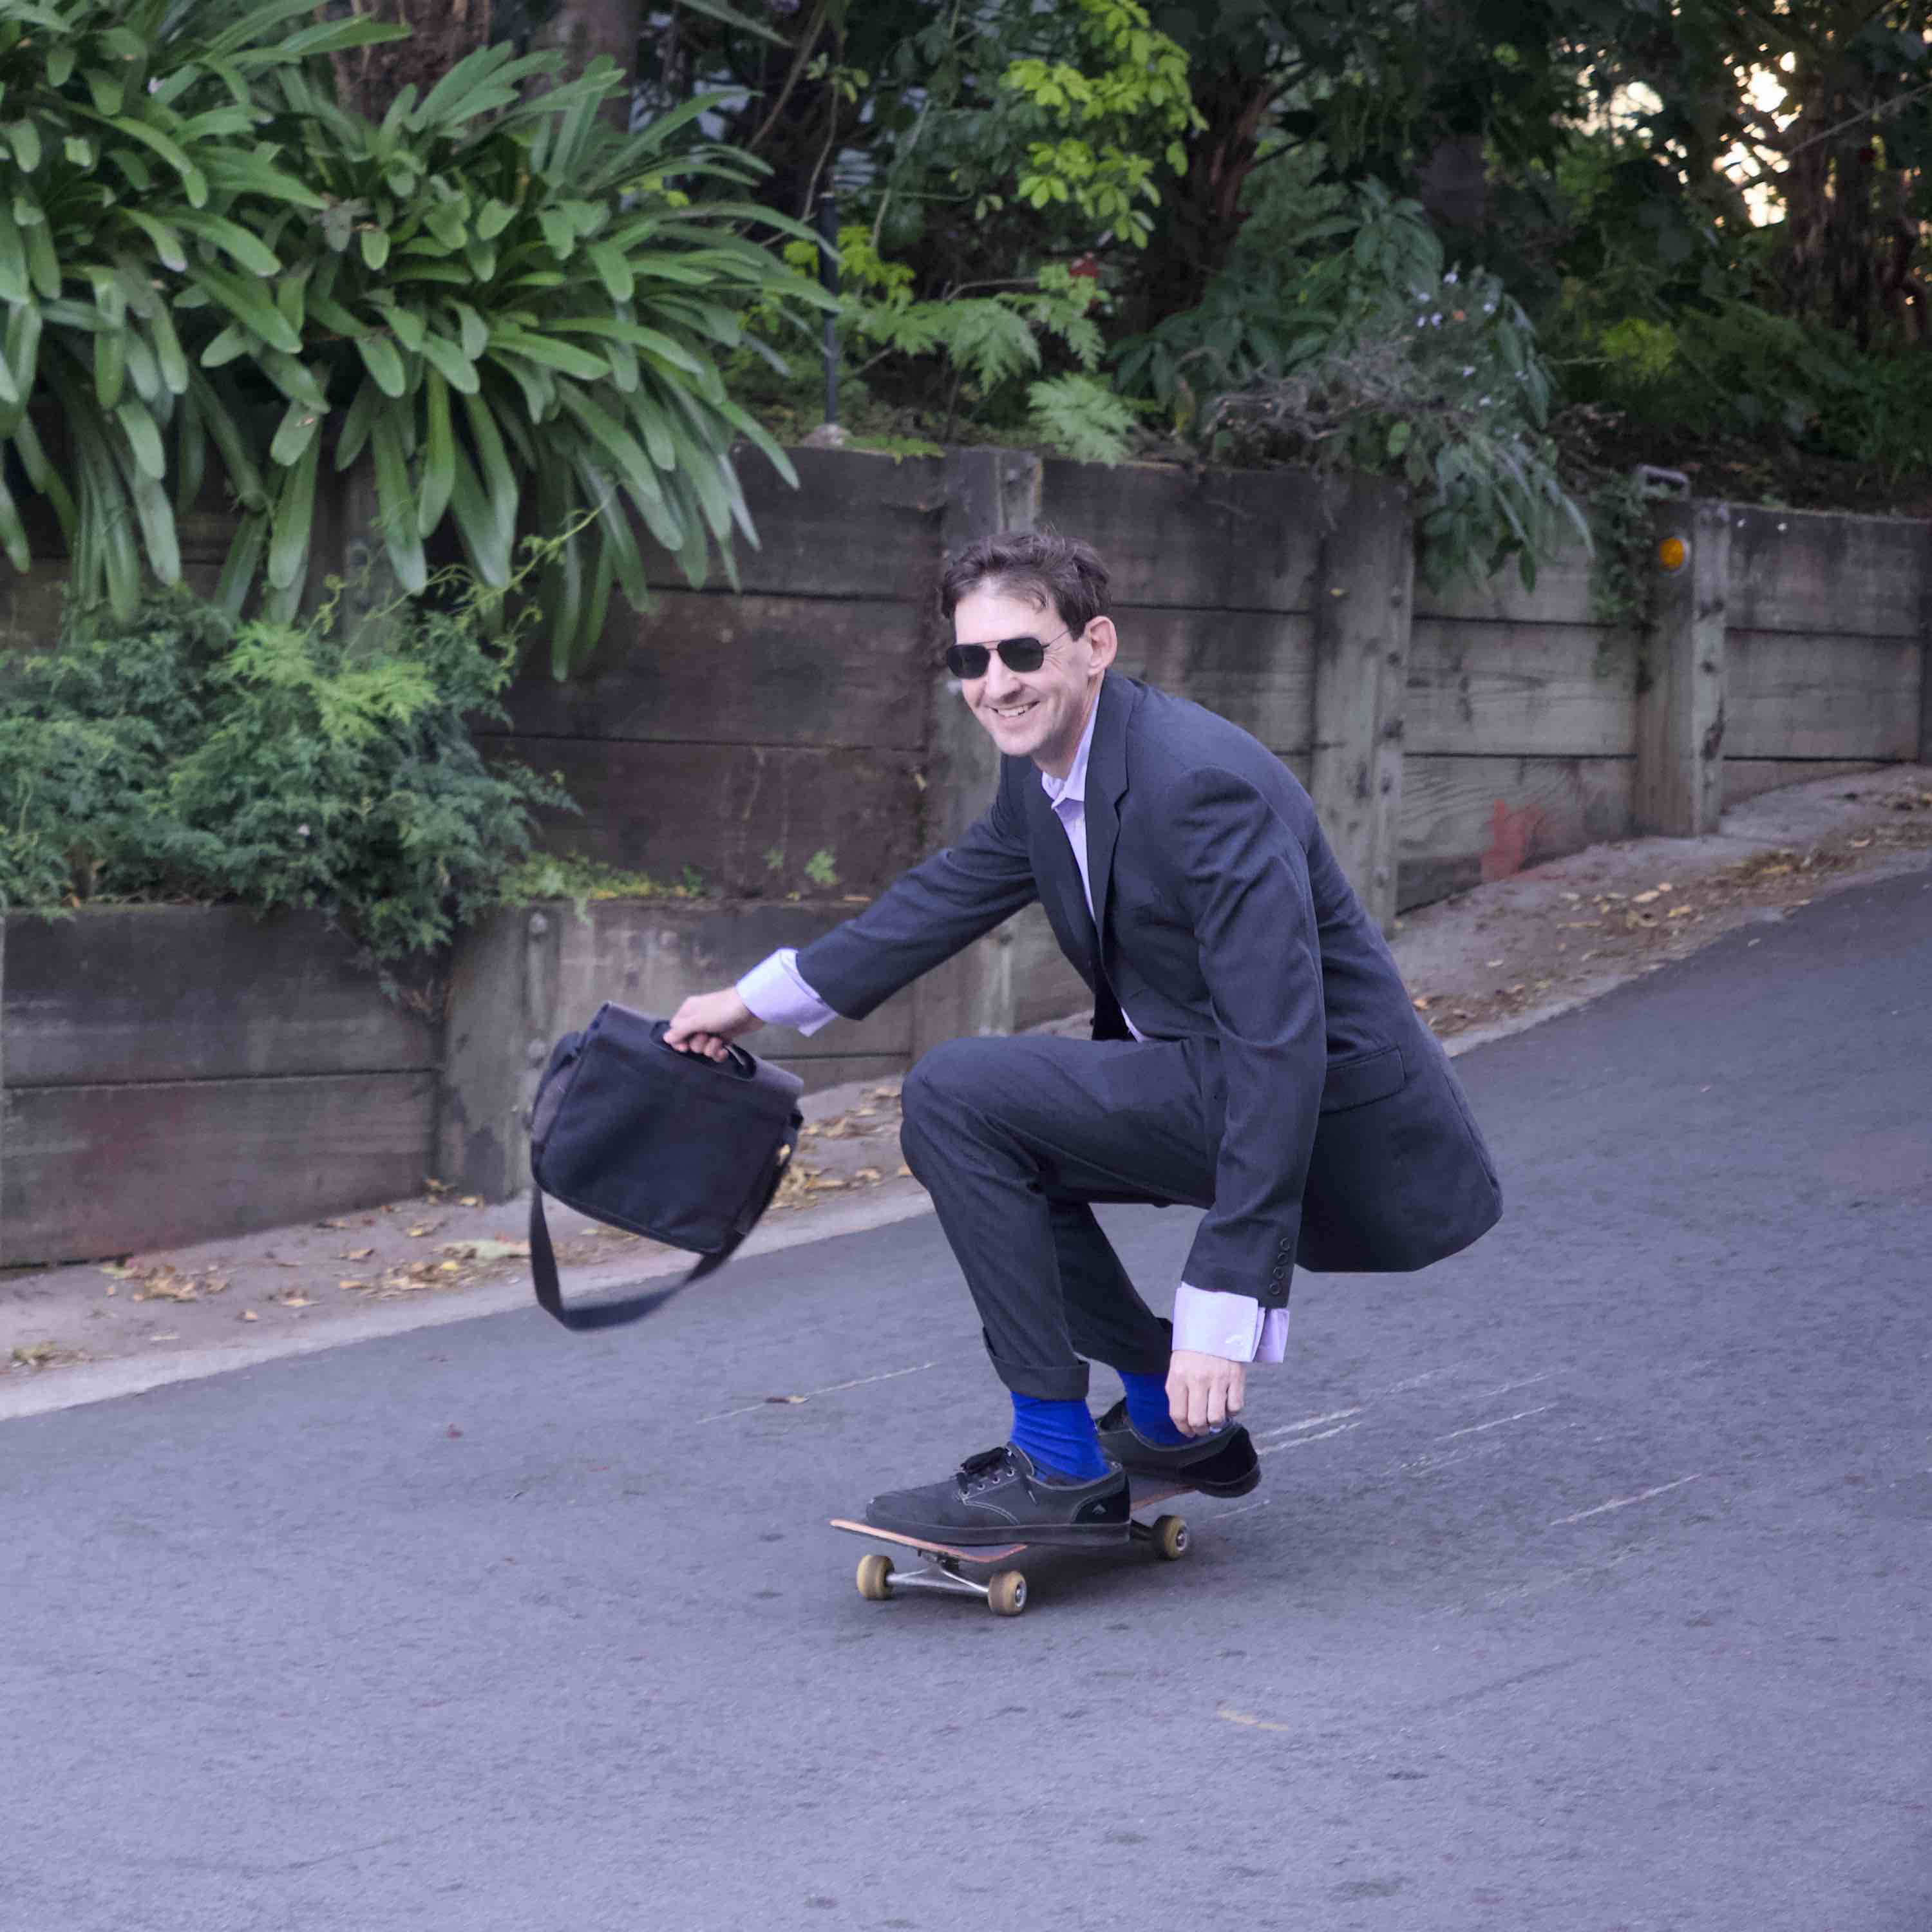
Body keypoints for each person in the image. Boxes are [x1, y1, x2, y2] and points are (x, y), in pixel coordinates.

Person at [665, 528, 1501, 1548]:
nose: (996, 683)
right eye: (970, 660)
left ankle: (1057, 1458)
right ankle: (1154, 1414)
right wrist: (747, 1003)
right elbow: (941, 899)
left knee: (956, 1092)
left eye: (1023, 651)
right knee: (977, 1123)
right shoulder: (1052, 767)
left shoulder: (1198, 784)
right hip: (1214, 1082)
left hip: (1320, 1116)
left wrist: (1224, 1302)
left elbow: (1281, 1040)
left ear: (1093, 643)